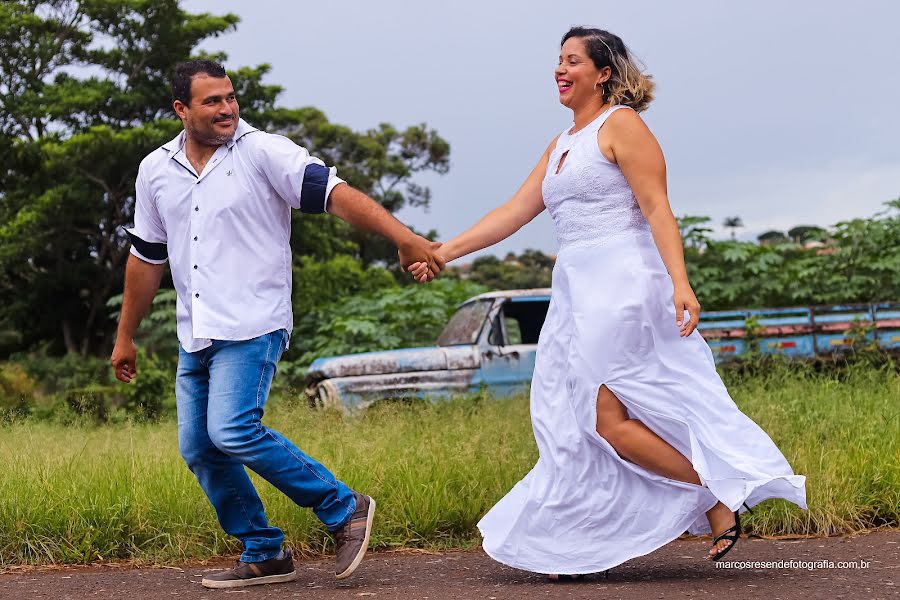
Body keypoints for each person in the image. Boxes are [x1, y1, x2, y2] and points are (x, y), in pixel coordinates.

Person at [409, 27, 807, 578]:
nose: (560, 69)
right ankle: (597, 530)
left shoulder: (622, 126)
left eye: (573, 61)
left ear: (603, 73)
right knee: (582, 421)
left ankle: (713, 496)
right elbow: (513, 212)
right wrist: (442, 251)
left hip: (624, 282)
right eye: (558, 61)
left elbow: (657, 208)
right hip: (576, 286)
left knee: (604, 416)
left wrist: (680, 282)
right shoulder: (562, 144)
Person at [111, 60, 443, 589]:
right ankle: (264, 550)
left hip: (253, 323)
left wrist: (403, 237)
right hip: (195, 331)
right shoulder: (156, 169)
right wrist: (125, 336)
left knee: (232, 428)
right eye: (211, 101)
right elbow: (147, 257)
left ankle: (344, 507)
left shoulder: (264, 152)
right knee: (199, 447)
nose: (227, 109)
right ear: (181, 110)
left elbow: (335, 194)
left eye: (230, 97)